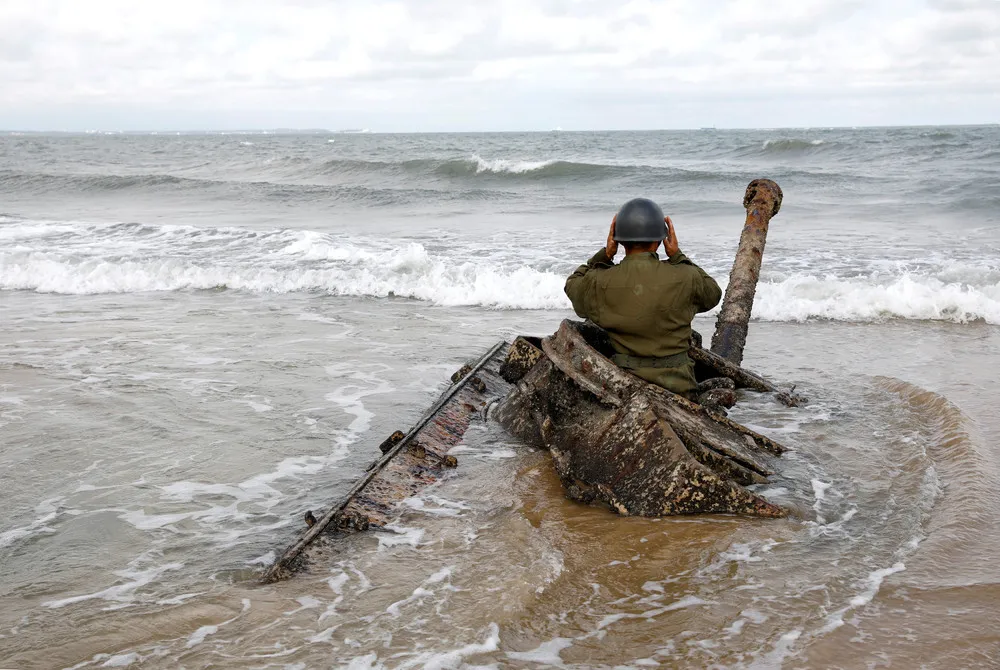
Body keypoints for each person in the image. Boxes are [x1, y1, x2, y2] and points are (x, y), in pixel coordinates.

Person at [564, 198, 722, 399]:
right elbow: (713, 294)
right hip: (680, 387)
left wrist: (605, 255)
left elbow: (573, 284)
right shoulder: (686, 276)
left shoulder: (599, 280)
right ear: (662, 239)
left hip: (625, 384)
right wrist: (677, 255)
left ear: (618, 239)